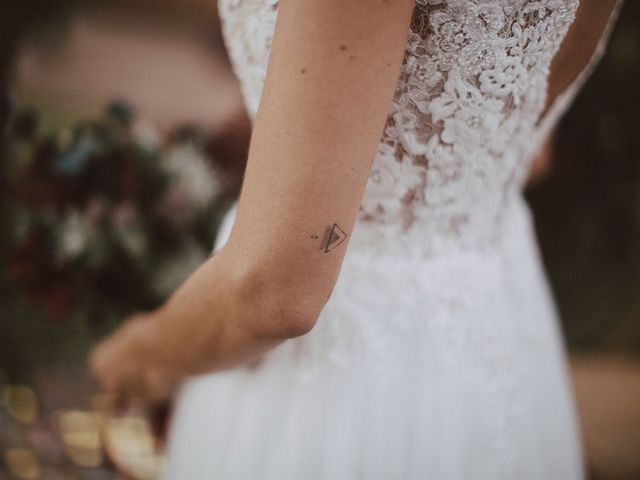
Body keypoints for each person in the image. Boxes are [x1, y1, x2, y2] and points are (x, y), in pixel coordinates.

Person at [90, 0, 623, 478]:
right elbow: (528, 150)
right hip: (497, 322)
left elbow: (276, 295)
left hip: (336, 382)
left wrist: (136, 356)